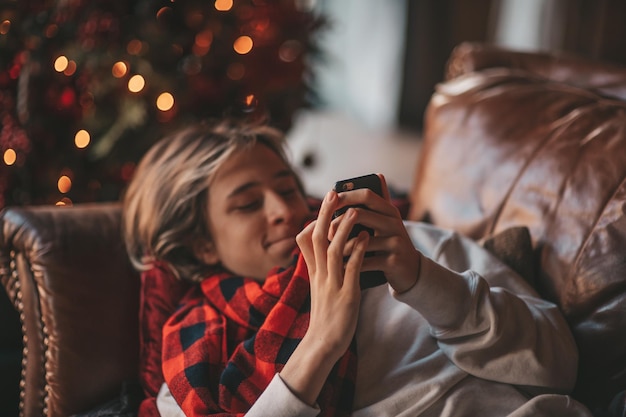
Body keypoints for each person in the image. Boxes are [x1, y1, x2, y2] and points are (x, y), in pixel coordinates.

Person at [122, 118, 593, 417]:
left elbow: (560, 364)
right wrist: (321, 342)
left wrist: (421, 280)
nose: (283, 210)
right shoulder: (195, 355)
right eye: (247, 205)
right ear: (203, 245)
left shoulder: (411, 245)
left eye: (287, 189)